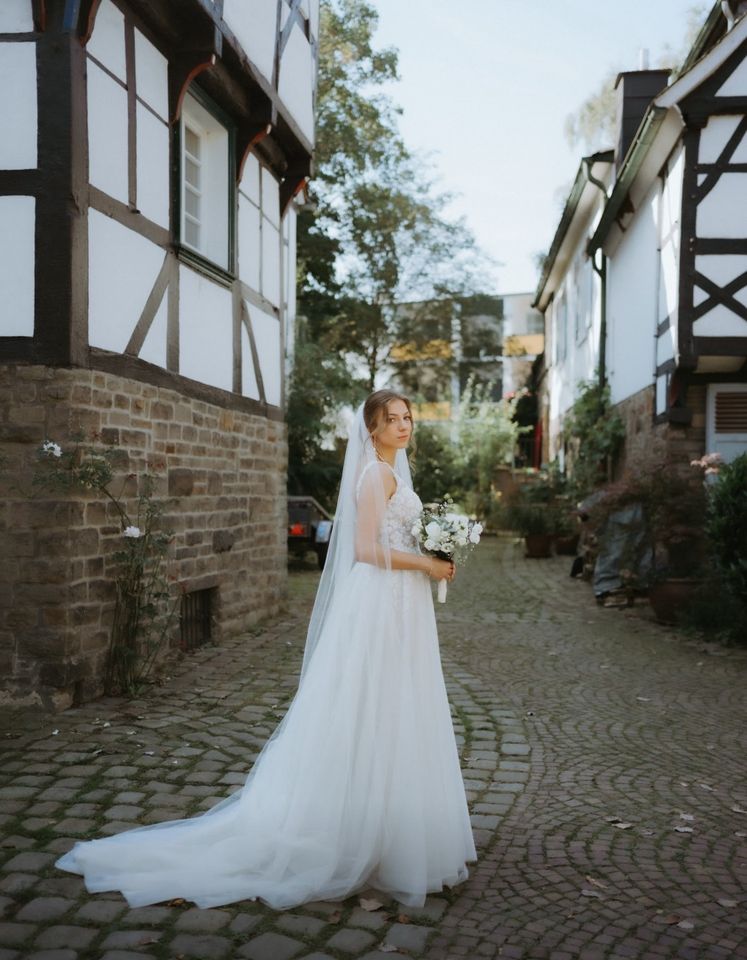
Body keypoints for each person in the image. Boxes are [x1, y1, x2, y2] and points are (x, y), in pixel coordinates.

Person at [55, 390, 477, 910]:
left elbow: (399, 538)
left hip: (401, 605)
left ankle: (398, 834)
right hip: (380, 605)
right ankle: (361, 839)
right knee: (371, 707)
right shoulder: (373, 476)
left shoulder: (395, 474)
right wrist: (427, 566)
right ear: (372, 429)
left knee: (398, 708)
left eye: (408, 416)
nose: (404, 425)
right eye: (392, 419)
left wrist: (435, 551)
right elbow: (366, 550)